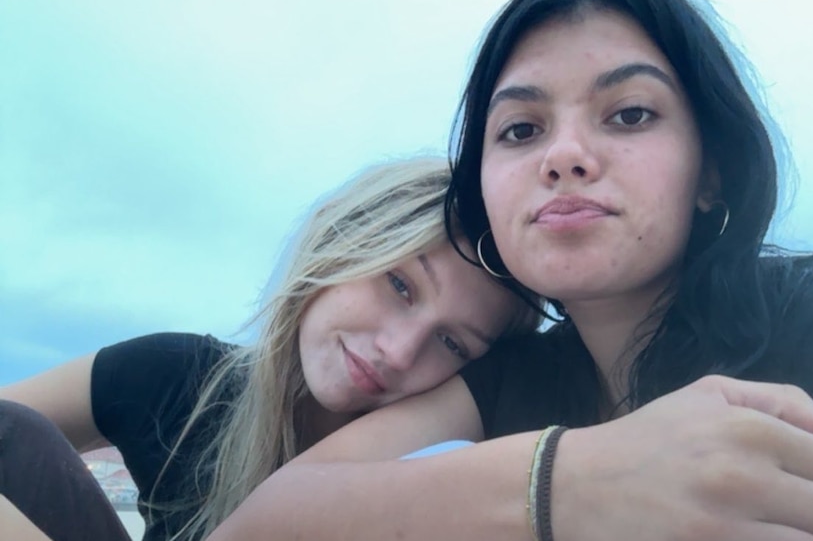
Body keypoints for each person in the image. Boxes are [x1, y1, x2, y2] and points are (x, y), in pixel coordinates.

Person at [206, 0, 813, 541]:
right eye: (521, 129)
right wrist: (571, 483)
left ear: (712, 170)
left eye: (629, 114)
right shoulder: (513, 378)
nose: (563, 154)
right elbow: (263, 519)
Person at [0, 157, 540, 541]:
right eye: (399, 285)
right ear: (339, 245)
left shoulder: (427, 488)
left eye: (451, 343)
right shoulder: (180, 380)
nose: (398, 352)